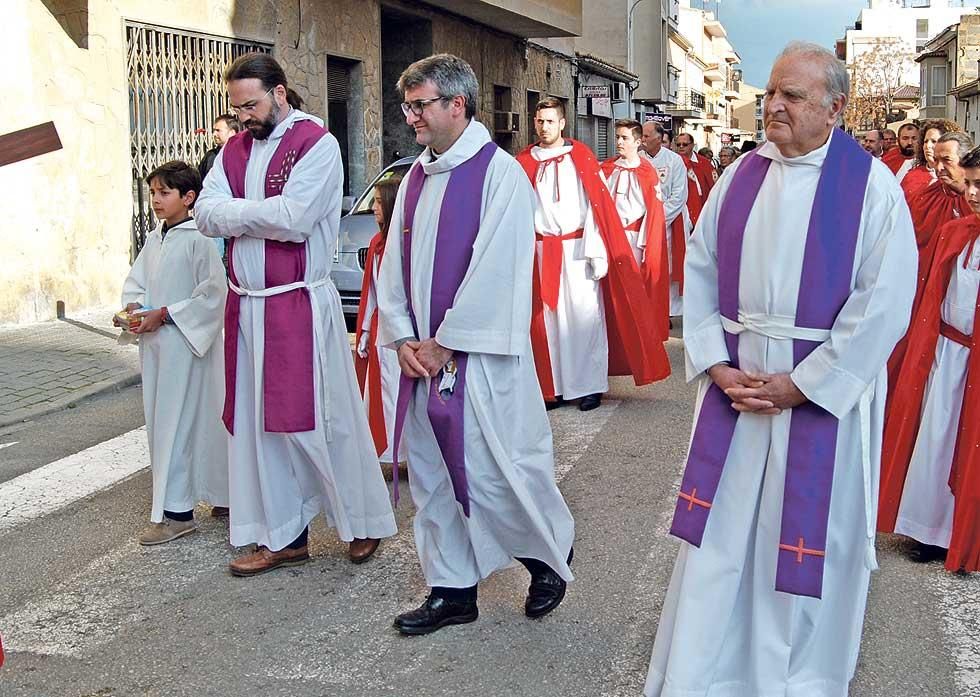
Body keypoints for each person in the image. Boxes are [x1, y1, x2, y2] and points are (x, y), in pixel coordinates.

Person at [643, 42, 916, 697]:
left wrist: (806, 383)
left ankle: (799, 682)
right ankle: (700, 677)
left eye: (791, 96)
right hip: (736, 399)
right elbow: (701, 267)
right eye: (770, 92)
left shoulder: (870, 188)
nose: (772, 106)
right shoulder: (742, 177)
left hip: (816, 407)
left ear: (835, 107)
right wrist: (713, 360)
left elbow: (885, 303)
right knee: (721, 544)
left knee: (805, 550)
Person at [376, 53, 575, 635]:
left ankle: (545, 559)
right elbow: (394, 263)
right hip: (425, 357)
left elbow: (500, 270)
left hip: (478, 362)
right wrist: (405, 336)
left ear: (456, 105)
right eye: (407, 105)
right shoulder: (414, 177)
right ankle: (452, 590)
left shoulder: (499, 175)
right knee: (434, 476)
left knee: (493, 471)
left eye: (420, 105)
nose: (410, 116)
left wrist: (447, 342)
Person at [195, 53, 397, 576]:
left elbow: (295, 219)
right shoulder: (235, 149)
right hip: (248, 307)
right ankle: (284, 535)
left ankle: (363, 521)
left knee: (322, 422)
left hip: (298, 305)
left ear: (280, 92)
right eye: (236, 107)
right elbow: (204, 214)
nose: (243, 117)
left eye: (252, 104)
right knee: (261, 428)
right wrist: (249, 216)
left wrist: (235, 216)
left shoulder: (317, 145)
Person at [515, 99, 669, 412]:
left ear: (562, 123)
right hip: (542, 250)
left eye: (550, 121)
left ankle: (588, 387)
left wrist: (597, 252)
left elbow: (598, 207)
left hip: (578, 251)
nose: (544, 127)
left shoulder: (581, 157)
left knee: (584, 318)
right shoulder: (523, 162)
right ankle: (553, 387)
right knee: (548, 322)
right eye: (539, 121)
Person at [878, 146, 980, 572]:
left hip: (973, 358)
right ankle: (928, 529)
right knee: (935, 441)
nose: (973, 193)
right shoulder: (956, 234)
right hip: (946, 353)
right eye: (971, 183)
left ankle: (965, 533)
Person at [117, 161, 229, 545]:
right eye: (152, 193)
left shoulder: (200, 239)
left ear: (189, 197)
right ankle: (220, 495)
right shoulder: (154, 239)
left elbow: (213, 295)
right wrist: (132, 309)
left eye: (164, 193)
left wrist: (165, 315)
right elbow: (137, 283)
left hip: (186, 347)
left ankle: (178, 513)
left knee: (180, 424)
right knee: (164, 423)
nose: (156, 201)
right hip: (156, 349)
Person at [600, 119, 670, 339]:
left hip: (634, 238)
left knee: (633, 289)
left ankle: (635, 337)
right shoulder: (607, 168)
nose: (619, 142)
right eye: (617, 137)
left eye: (624, 138)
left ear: (638, 142)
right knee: (610, 289)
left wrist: (647, 245)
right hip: (609, 236)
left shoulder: (647, 172)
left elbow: (653, 212)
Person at [354, 174, 403, 463]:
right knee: (383, 393)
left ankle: (408, 453)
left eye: (379, 201)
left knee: (400, 392)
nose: (373, 207)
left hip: (402, 332)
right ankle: (389, 453)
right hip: (380, 329)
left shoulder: (406, 242)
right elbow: (370, 291)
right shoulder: (376, 243)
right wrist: (364, 331)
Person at [641, 121, 692, 318]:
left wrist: (658, 219)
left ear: (658, 138)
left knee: (669, 268)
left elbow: (679, 195)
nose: (643, 140)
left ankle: (668, 311)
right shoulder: (638, 160)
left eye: (646, 136)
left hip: (669, 223)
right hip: (643, 223)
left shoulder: (674, 161)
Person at [907, 132, 973, 260]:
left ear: (966, 160)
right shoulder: (924, 199)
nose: (939, 167)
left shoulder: (976, 200)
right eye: (936, 160)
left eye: (946, 160)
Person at [900, 119, 961, 197]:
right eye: (925, 141)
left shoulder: (961, 178)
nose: (928, 146)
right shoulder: (912, 177)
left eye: (934, 141)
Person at [674, 132, 716, 207]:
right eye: (678, 144)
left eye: (685, 144)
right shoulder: (672, 163)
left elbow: (714, 185)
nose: (681, 146)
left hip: (703, 206)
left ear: (692, 145)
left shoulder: (704, 163)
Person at [199, 114, 240, 182]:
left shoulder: (242, 155)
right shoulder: (210, 156)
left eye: (218, 130)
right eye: (214, 130)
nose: (214, 134)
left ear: (232, 133)